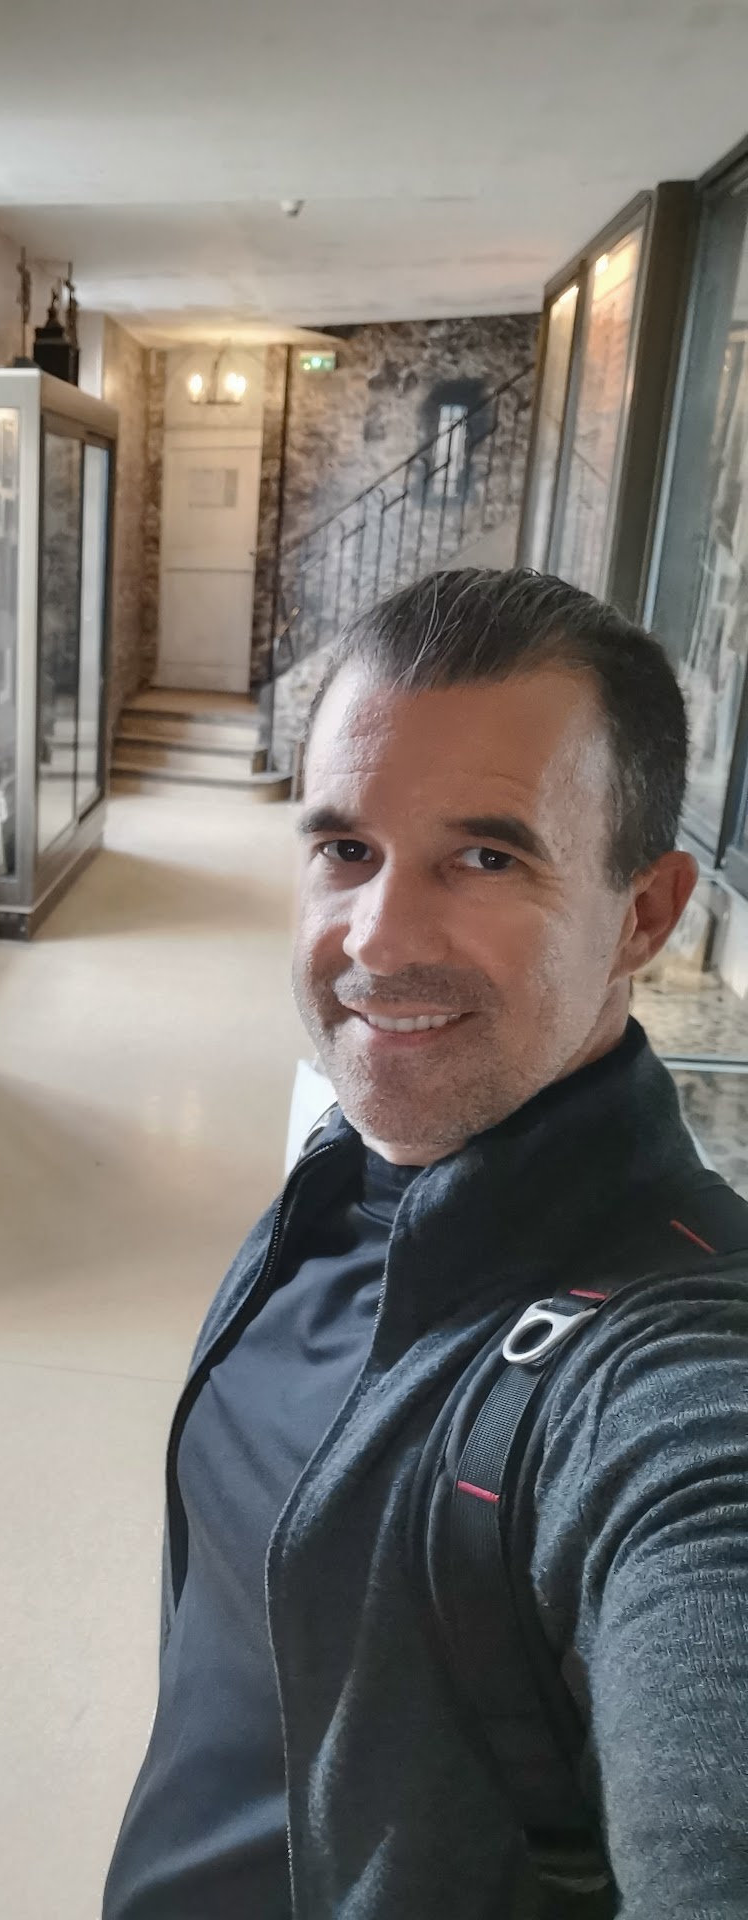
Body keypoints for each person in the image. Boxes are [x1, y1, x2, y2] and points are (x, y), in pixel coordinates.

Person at [101, 568, 748, 1920]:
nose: (377, 942)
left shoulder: (674, 1372)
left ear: (644, 912)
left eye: (487, 858)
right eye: (346, 850)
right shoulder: (352, 1166)